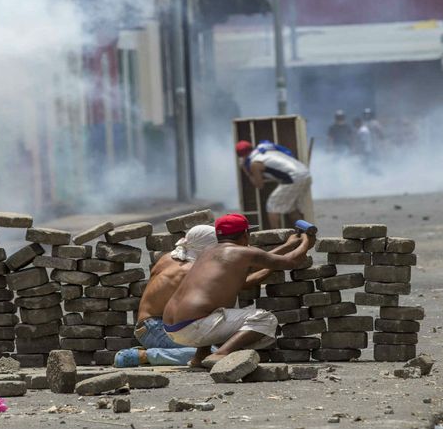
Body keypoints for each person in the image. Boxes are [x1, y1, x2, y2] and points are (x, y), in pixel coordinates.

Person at [163, 213, 314, 368]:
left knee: (217, 308)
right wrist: (306, 241)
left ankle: (200, 357)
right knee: (265, 319)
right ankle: (220, 354)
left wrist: (288, 246)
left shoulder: (208, 252)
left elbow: (255, 269)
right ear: (245, 234)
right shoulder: (243, 252)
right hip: (194, 326)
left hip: (170, 327)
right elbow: (290, 261)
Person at [113, 225, 217, 368]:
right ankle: (143, 356)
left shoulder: (168, 258)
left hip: (149, 326)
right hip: (156, 328)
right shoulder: (190, 271)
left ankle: (161, 351)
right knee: (213, 354)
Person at [236, 140, 312, 229]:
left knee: (271, 206)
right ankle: (307, 232)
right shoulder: (265, 149)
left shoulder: (254, 163)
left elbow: (259, 185)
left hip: (294, 178)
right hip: (305, 173)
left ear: (242, 156)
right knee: (291, 208)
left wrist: (246, 170)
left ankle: (276, 234)